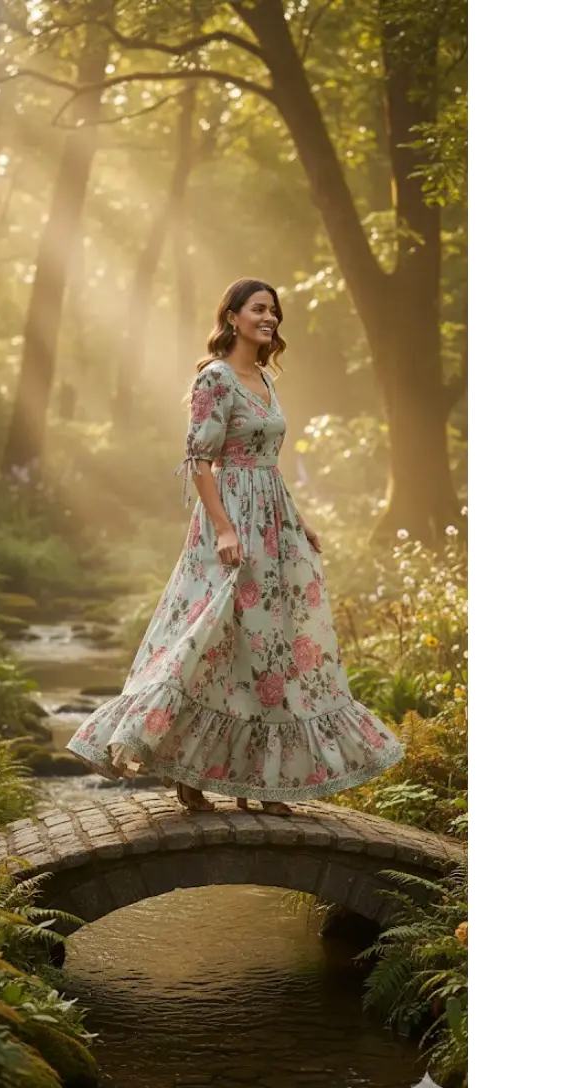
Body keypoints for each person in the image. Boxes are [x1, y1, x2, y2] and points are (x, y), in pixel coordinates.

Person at [68, 278, 403, 815]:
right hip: (229, 523)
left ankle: (260, 782)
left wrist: (301, 519)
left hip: (273, 523)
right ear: (232, 316)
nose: (269, 318)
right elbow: (200, 463)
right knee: (212, 640)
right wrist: (225, 528)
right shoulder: (216, 379)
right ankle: (187, 770)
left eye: (274, 310)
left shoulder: (266, 378)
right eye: (259, 308)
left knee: (269, 649)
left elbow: (269, 462)